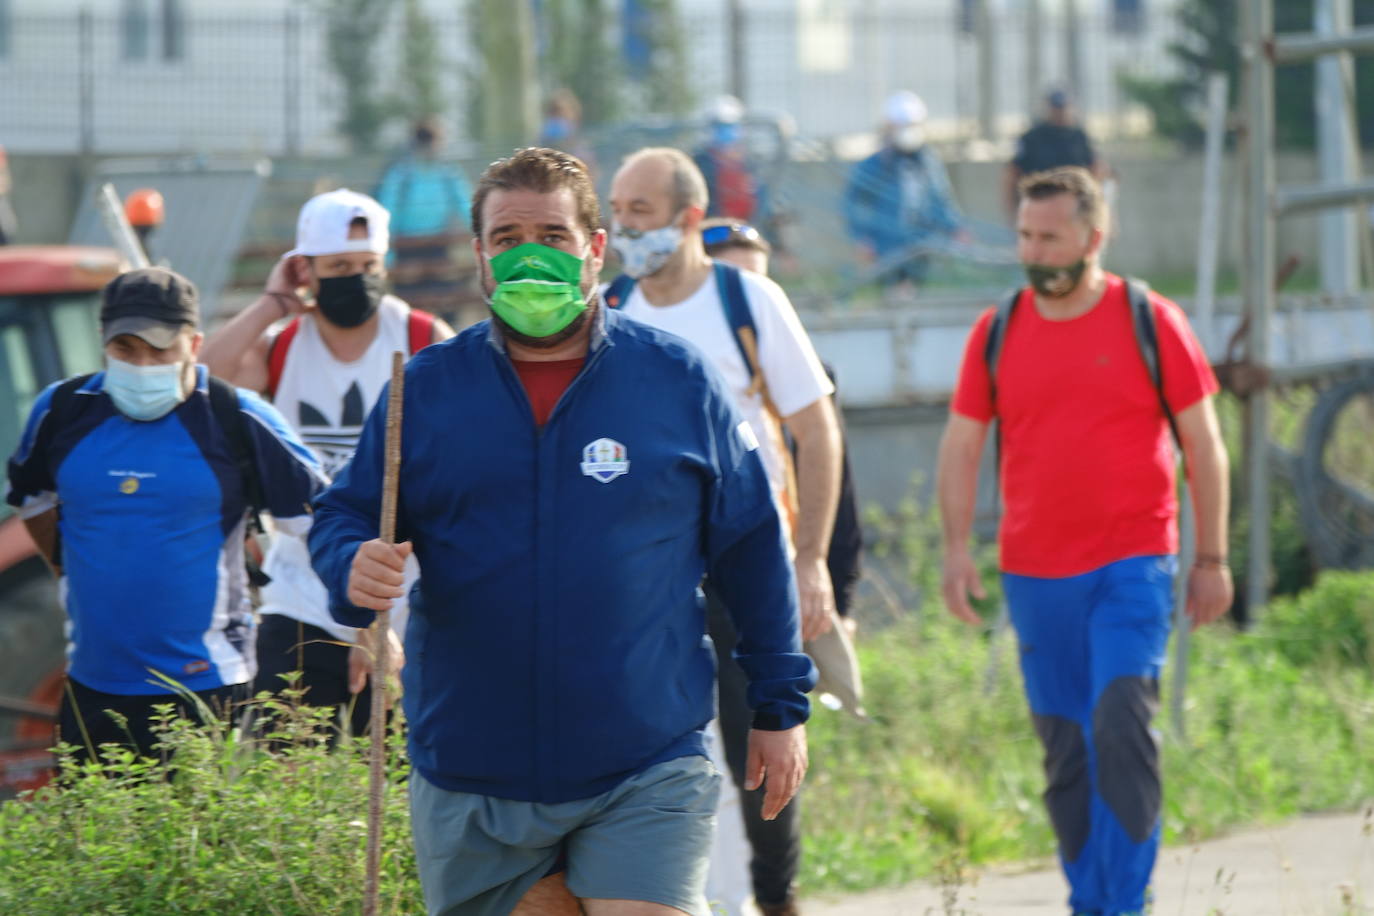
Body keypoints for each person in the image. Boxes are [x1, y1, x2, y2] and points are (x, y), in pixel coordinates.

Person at [309, 147, 815, 916]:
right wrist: (351, 564)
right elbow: (344, 513)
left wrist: (780, 706)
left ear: (595, 249)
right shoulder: (426, 391)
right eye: (507, 238)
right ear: (479, 255)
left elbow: (751, 545)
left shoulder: (676, 381)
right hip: (477, 774)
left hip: (645, 759)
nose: (529, 254)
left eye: (552, 233)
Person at [936, 167, 1232, 916]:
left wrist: (1212, 557)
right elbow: (962, 446)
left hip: (1133, 562)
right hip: (1035, 577)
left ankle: (1125, 902)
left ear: (1094, 237)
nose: (1034, 253)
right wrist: (955, 549)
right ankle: (1088, 900)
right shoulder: (997, 330)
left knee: (1121, 725)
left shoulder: (1149, 318)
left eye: (1050, 237)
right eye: (1026, 237)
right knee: (1067, 752)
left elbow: (1204, 443)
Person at [606, 151, 843, 916]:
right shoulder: (609, 310)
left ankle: (776, 901)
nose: (623, 227)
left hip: (748, 568)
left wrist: (810, 561)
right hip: (648, 580)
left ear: (688, 219)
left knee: (761, 746)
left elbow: (816, 428)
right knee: (652, 753)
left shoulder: (747, 300)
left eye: (639, 210)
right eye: (616, 209)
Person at [5, 267, 325, 761]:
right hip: (92, 686)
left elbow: (325, 527)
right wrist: (70, 569)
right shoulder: (62, 412)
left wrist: (365, 629)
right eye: (126, 350)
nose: (142, 364)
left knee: (203, 836)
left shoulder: (236, 419)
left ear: (194, 345)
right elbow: (33, 501)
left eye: (160, 351)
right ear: (102, 342)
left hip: (207, 689)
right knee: (96, 836)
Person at [201, 188, 453, 737]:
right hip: (304, 587)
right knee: (285, 755)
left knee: (388, 766)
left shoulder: (420, 336)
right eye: (339, 266)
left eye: (368, 265)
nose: (357, 277)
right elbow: (198, 384)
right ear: (306, 269)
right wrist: (272, 302)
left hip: (399, 586)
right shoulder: (284, 344)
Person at [699, 216, 866, 916]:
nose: (752, 289)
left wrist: (838, 595)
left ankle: (775, 895)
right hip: (689, 581)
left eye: (758, 273)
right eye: (734, 273)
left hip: (770, 587)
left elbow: (843, 500)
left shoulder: (805, 379)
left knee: (763, 742)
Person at [843, 91, 967, 290]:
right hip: (886, 245)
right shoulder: (874, 165)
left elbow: (940, 198)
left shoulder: (927, 161)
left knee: (913, 293)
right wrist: (861, 239)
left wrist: (955, 227)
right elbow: (854, 204)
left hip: (921, 243)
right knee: (895, 295)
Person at [374, 118, 475, 317]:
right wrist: (388, 255)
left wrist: (479, 235)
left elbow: (465, 206)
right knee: (408, 308)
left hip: (438, 244)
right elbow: (388, 212)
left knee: (446, 304)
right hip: (406, 246)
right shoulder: (401, 174)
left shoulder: (448, 173)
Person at [1004, 89, 1106, 222]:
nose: (1059, 112)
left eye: (1063, 107)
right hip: (1039, 204)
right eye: (1056, 107)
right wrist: (1011, 211)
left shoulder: (1079, 136)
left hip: (1072, 207)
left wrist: (1097, 205)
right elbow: (1011, 173)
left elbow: (1095, 168)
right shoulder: (1032, 137)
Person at [693, 96, 769, 230]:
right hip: (712, 230)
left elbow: (761, 201)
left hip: (746, 229)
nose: (725, 132)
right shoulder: (701, 164)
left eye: (729, 126)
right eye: (719, 126)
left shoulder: (750, 164)